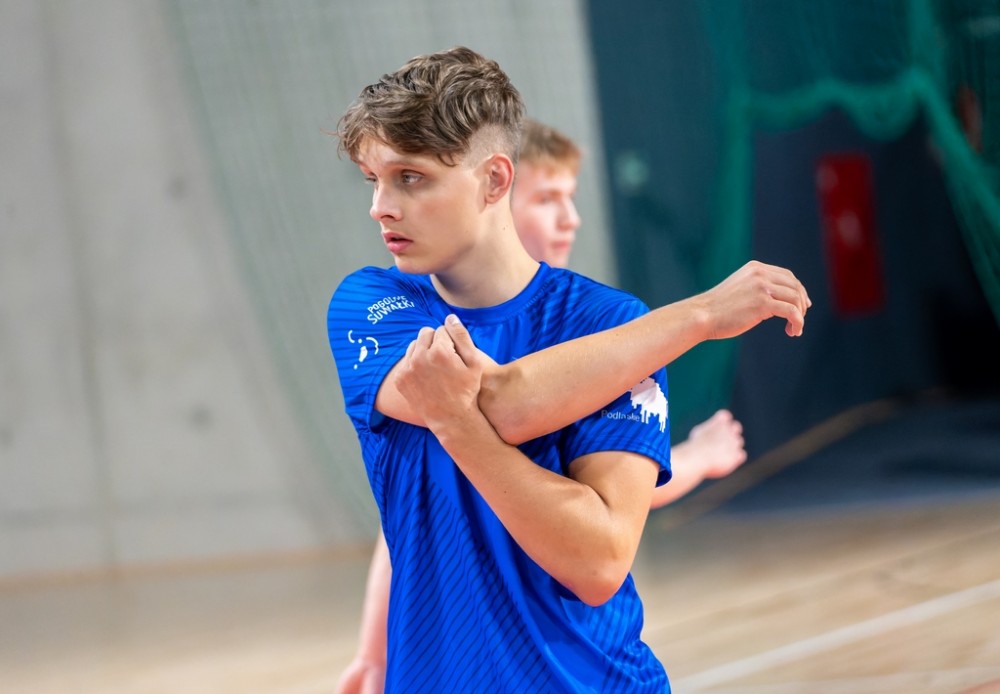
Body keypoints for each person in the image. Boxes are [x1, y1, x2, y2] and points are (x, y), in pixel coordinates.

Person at [327, 46, 810, 692]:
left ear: (494, 181)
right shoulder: (369, 304)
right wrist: (697, 316)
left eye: (410, 177)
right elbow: (499, 402)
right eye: (374, 179)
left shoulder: (610, 323)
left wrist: (457, 424)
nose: (381, 206)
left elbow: (599, 561)